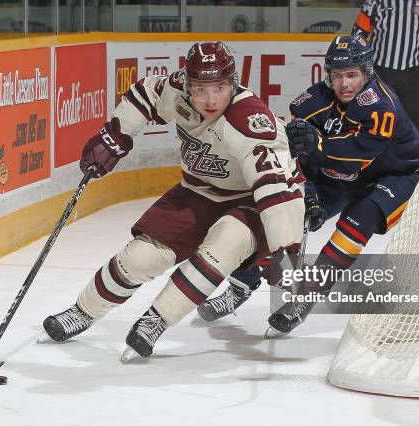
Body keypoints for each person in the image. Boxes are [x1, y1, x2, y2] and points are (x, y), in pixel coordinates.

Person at [41, 41, 305, 361]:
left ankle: (157, 319)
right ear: (188, 84)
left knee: (225, 244)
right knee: (141, 258)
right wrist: (116, 134)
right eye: (200, 89)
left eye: (219, 88)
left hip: (256, 201)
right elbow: (146, 95)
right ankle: (83, 312)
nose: (210, 99)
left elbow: (275, 188)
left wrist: (286, 250)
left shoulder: (250, 121)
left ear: (232, 83)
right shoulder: (177, 89)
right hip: (199, 191)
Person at [199, 34, 419, 338]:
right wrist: (305, 188)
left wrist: (317, 146)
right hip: (340, 174)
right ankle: (242, 283)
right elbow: (291, 152)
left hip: (395, 175)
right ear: (327, 75)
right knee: (275, 213)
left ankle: (307, 295)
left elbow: (354, 157)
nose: (344, 84)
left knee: (354, 225)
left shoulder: (381, 106)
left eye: (352, 75)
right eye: (337, 76)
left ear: (367, 73)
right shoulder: (312, 101)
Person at [352, 0, 419, 137]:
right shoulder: (377, 2)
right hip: (379, 74)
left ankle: (417, 157)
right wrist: (354, 66)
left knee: (413, 123)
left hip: (411, 76)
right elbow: (358, 34)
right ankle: (371, 157)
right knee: (374, 119)